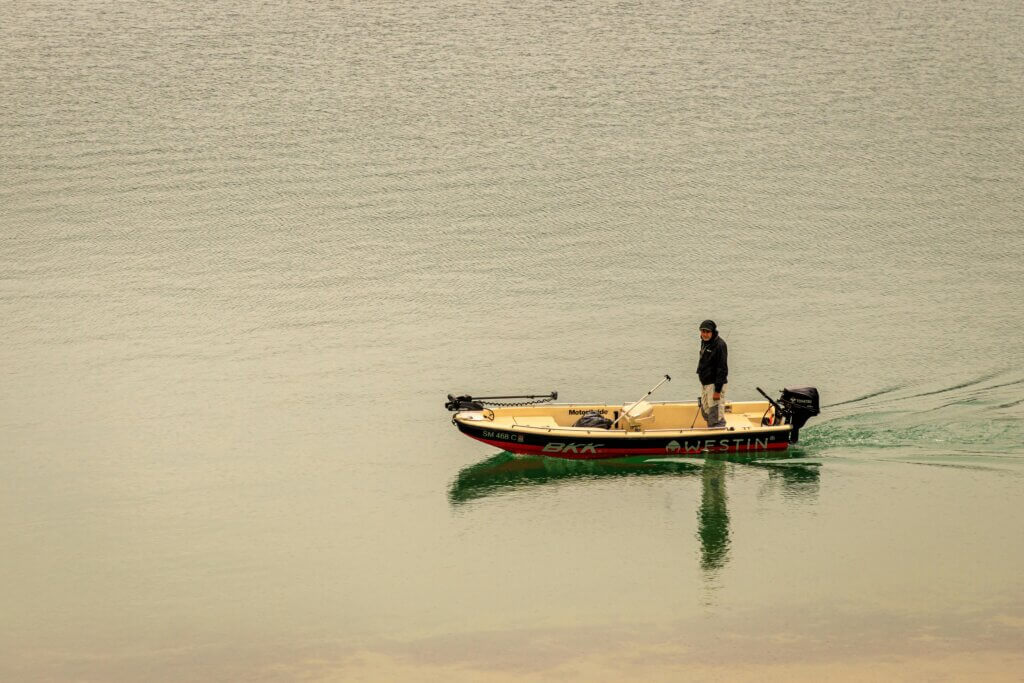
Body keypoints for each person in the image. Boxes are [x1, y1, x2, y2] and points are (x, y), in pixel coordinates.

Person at [696, 319, 728, 428]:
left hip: (715, 384)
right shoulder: (705, 342)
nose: (704, 334)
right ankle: (711, 429)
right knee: (706, 411)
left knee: (715, 414)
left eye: (707, 332)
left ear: (713, 332)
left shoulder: (720, 345)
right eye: (702, 331)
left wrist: (717, 391)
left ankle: (718, 432)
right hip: (705, 383)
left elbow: (722, 369)